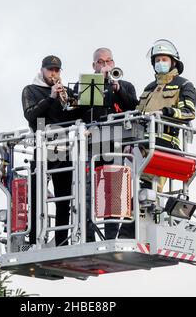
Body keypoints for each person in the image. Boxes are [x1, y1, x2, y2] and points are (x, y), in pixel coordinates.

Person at [118, 39, 196, 238]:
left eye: (164, 59)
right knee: (125, 183)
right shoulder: (149, 88)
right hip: (142, 143)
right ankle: (127, 230)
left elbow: (188, 112)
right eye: (157, 59)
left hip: (166, 143)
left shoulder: (184, 84)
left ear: (173, 62)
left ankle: (135, 232)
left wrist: (167, 111)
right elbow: (138, 113)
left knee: (146, 187)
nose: (160, 62)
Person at [76, 48, 139, 241]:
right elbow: (79, 111)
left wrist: (117, 88)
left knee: (113, 193)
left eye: (109, 61)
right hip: (90, 145)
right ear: (94, 65)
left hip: (115, 144)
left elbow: (134, 107)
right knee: (85, 191)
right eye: (101, 62)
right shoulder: (85, 84)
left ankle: (111, 237)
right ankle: (87, 237)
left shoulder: (125, 85)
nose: (106, 65)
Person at [22, 55, 80, 247]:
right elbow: (30, 115)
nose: (53, 74)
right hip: (42, 145)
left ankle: (62, 240)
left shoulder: (67, 90)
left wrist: (71, 102)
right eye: (50, 70)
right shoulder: (31, 90)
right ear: (42, 70)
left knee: (64, 197)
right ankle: (33, 240)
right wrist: (51, 97)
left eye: (57, 70)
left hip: (63, 146)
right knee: (37, 195)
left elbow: (75, 116)